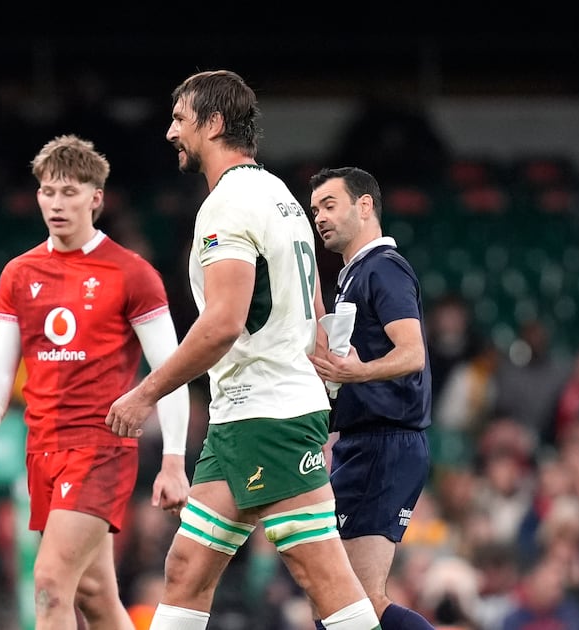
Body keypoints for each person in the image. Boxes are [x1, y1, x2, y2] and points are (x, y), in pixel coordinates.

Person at [106, 69, 382, 630]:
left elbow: (222, 324)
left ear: (212, 123)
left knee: (322, 577)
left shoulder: (228, 206)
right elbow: (315, 306)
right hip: (252, 413)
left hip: (266, 415)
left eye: (180, 118)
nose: (169, 132)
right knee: (186, 567)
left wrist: (144, 395)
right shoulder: (280, 196)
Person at [0, 134, 191, 630]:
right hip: (42, 448)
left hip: (100, 448)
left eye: (69, 192)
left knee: (48, 584)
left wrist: (172, 461)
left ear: (95, 198)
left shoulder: (132, 273)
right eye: (47, 192)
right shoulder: (19, 273)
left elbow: (170, 371)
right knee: (96, 594)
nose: (56, 204)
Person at [305, 166, 437, 630]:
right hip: (366, 444)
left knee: (354, 604)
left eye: (330, 204)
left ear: (365, 207)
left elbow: (413, 353)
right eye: (315, 207)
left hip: (385, 443)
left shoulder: (383, 268)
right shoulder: (353, 275)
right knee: (338, 606)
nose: (319, 216)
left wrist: (357, 371)